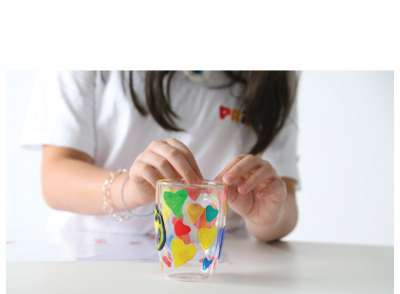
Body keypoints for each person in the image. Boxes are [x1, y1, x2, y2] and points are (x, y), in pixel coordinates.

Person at [22, 71, 300, 242]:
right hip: (95, 253)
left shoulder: (273, 75)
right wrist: (128, 189)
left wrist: (267, 218)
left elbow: (284, 201)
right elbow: (56, 177)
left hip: (220, 264)